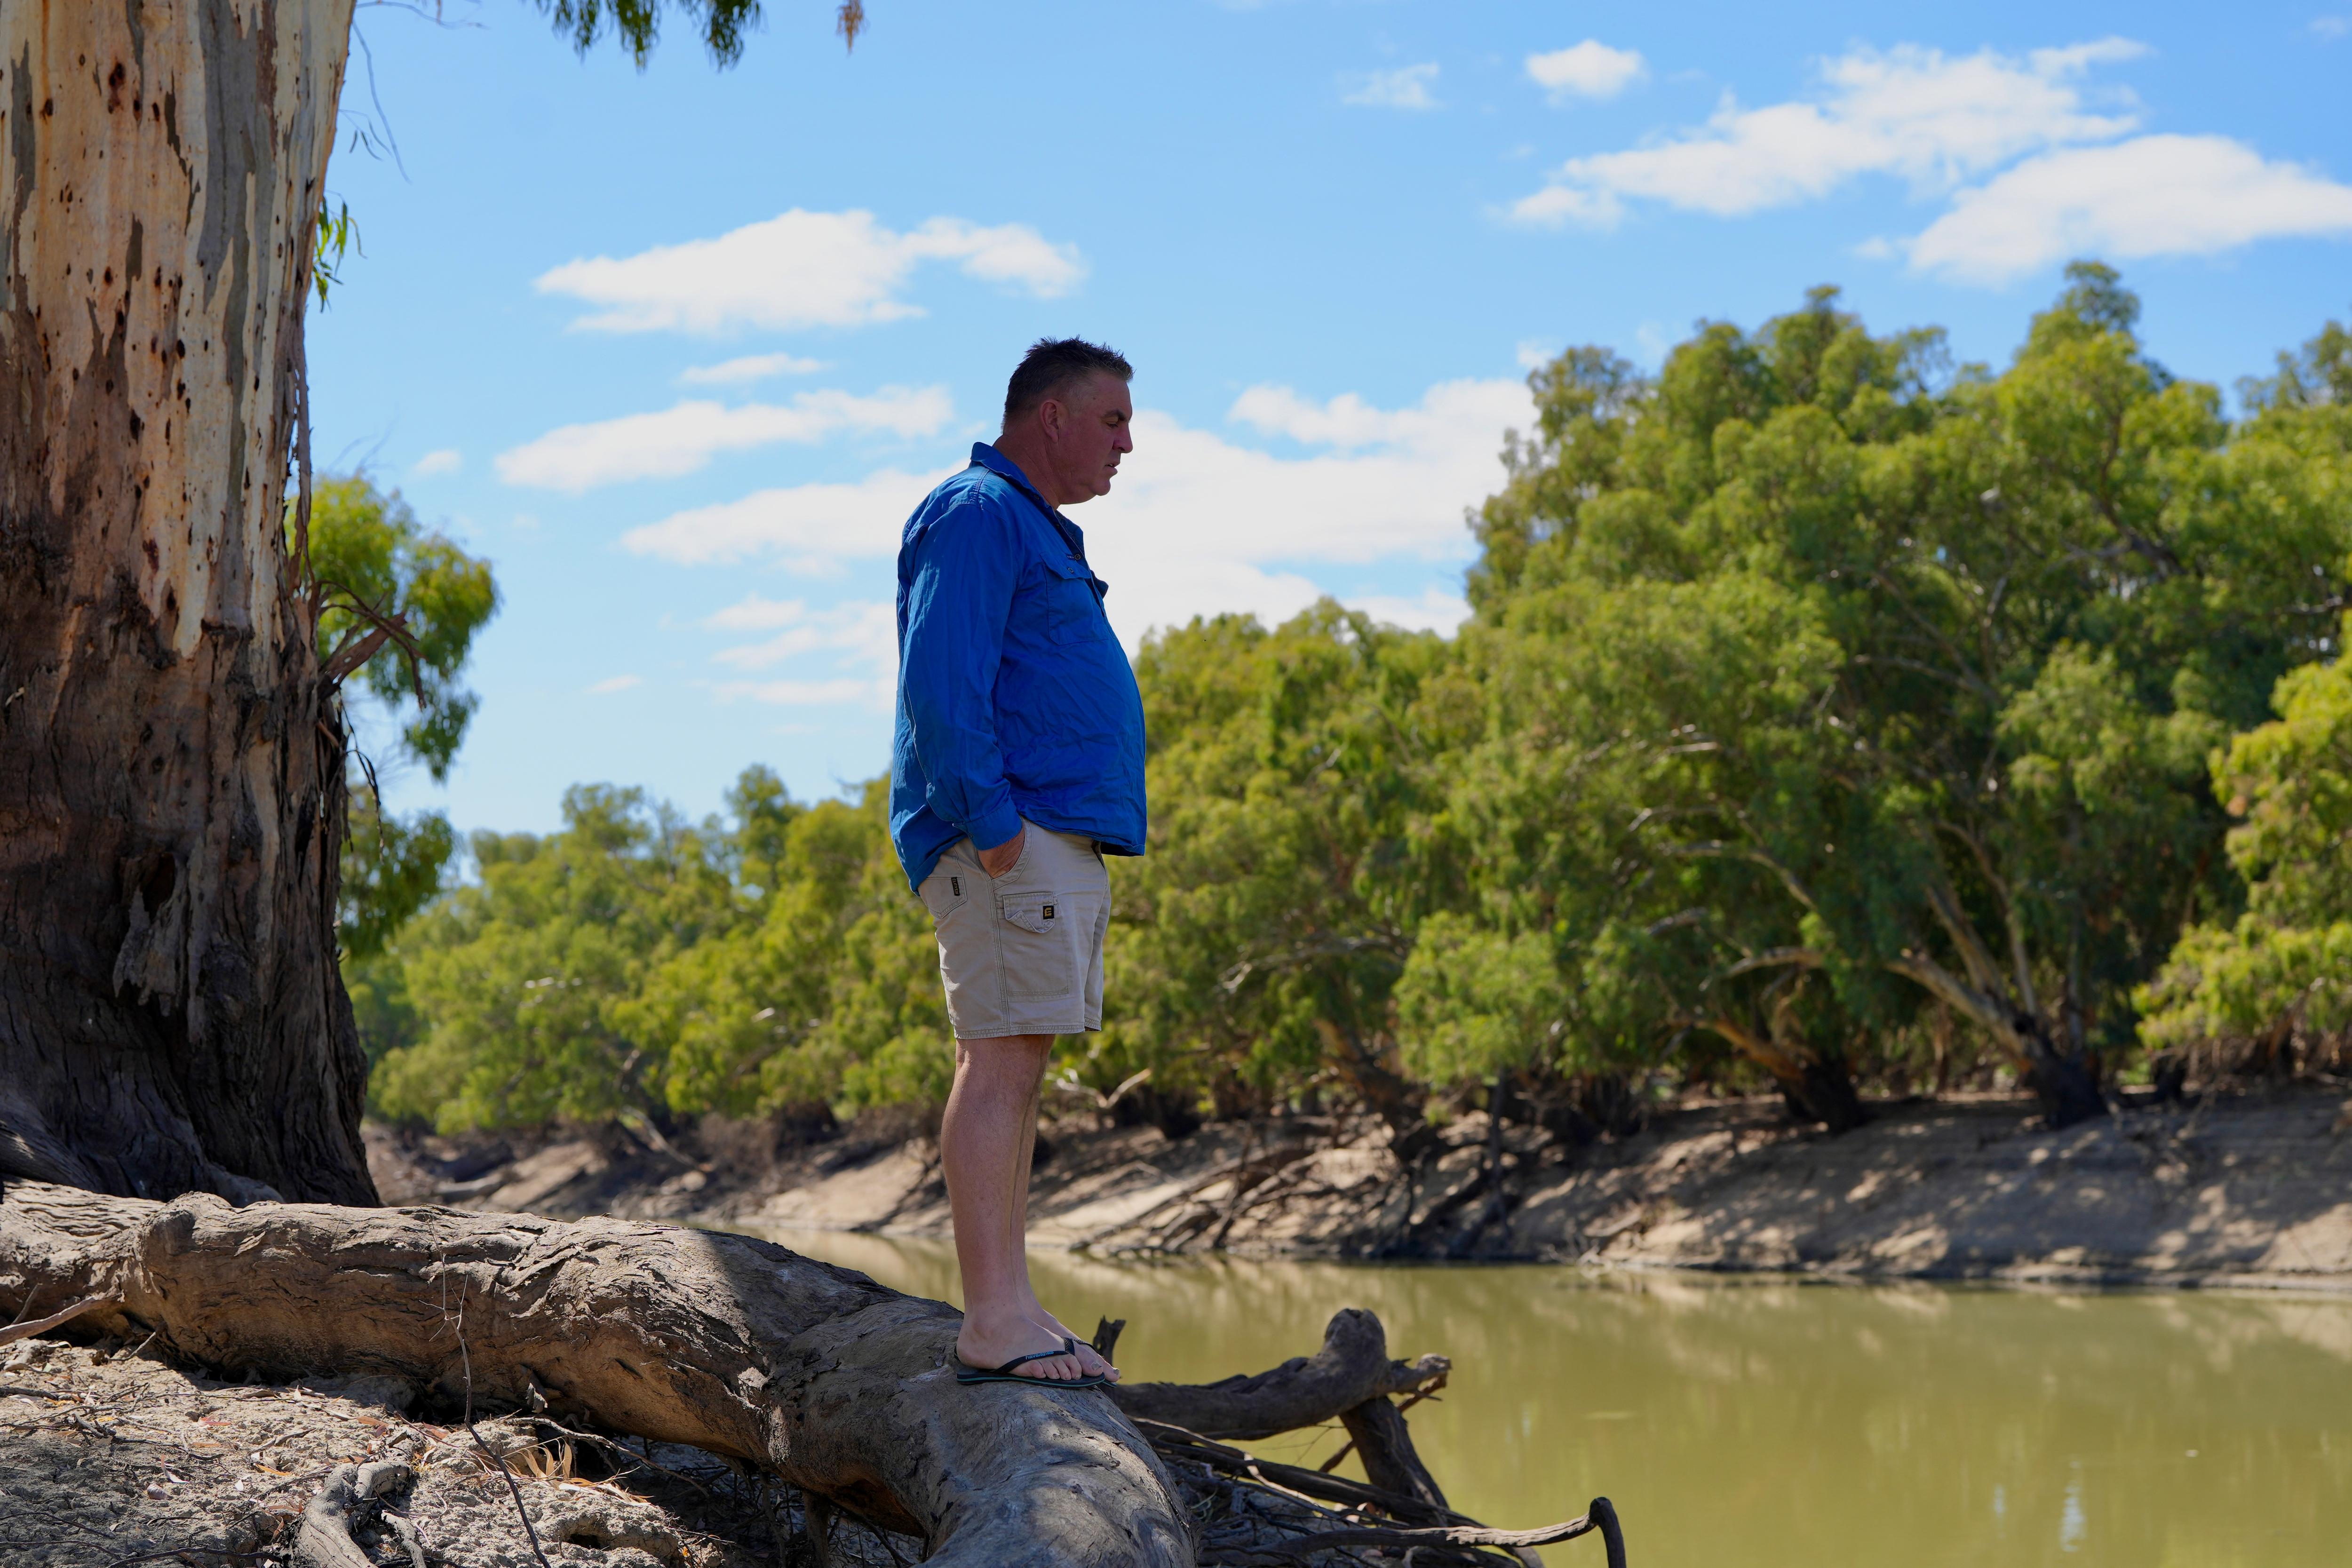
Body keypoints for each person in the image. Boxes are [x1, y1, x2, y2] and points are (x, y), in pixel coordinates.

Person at [890, 338, 1145, 1389]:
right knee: (999, 1060)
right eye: (1113, 420)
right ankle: (993, 1317)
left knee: (1017, 1059)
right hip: (1011, 835)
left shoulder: (1026, 522)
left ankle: (1012, 1304)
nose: (1128, 443)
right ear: (1051, 416)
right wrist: (994, 825)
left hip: (1050, 834)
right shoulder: (978, 511)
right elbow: (940, 684)